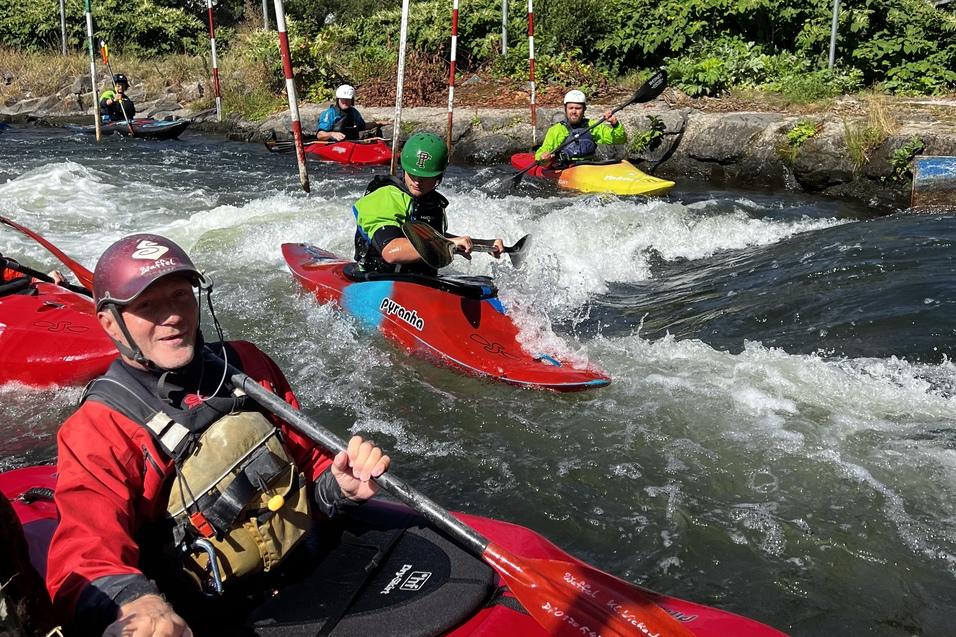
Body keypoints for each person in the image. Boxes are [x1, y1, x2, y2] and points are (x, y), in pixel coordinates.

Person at [45, 233, 390, 636]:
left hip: (298, 574)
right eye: (147, 306)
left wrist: (339, 488)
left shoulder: (248, 363)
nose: (172, 316)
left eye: (179, 295)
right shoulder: (97, 429)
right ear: (110, 323)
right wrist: (137, 604)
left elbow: (306, 467)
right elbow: (84, 556)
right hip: (199, 613)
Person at [352, 131, 504, 274]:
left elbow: (432, 237)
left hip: (418, 281)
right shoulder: (383, 198)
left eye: (425, 177)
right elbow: (391, 251)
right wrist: (448, 244)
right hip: (376, 278)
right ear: (404, 169)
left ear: (439, 176)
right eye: (413, 174)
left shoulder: (432, 202)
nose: (417, 182)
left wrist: (484, 244)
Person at [534, 89, 627, 167]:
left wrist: (615, 124)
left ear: (584, 109)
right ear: (565, 109)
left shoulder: (592, 126)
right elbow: (543, 153)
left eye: (578, 108)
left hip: (589, 166)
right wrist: (542, 157)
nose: (574, 111)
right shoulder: (556, 130)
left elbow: (619, 139)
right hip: (565, 167)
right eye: (571, 108)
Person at [315, 84, 386, 142]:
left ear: (352, 100)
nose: (345, 102)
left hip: (352, 144)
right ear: (338, 99)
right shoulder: (329, 113)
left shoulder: (354, 112)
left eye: (348, 100)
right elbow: (320, 135)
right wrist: (331, 134)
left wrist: (378, 123)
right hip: (334, 146)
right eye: (343, 99)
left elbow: (363, 126)